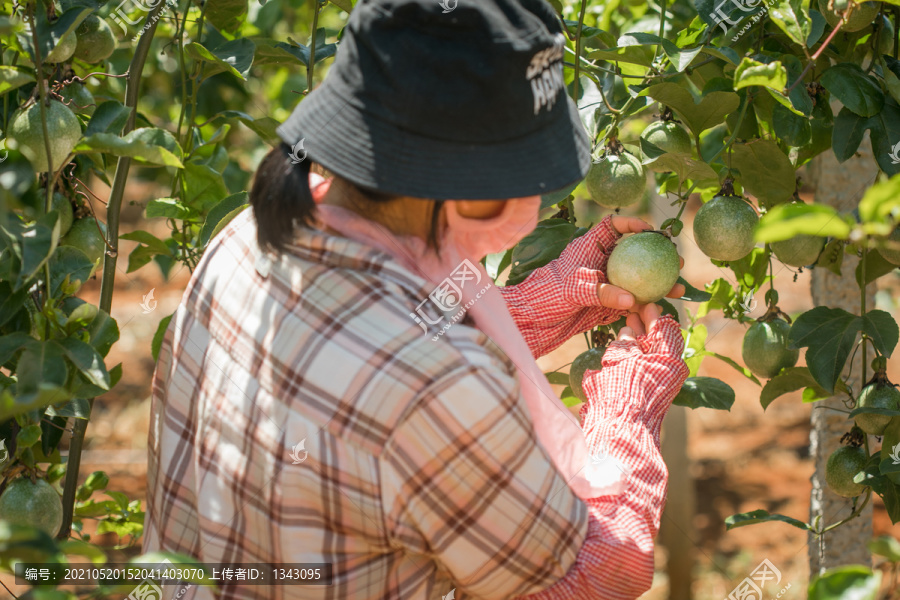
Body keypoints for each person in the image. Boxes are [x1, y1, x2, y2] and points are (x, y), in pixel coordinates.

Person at [142, 0, 690, 598]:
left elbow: (366, 365)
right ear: (462, 188)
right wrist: (627, 405)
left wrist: (539, 303)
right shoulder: (429, 386)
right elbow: (600, 572)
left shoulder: (246, 241)